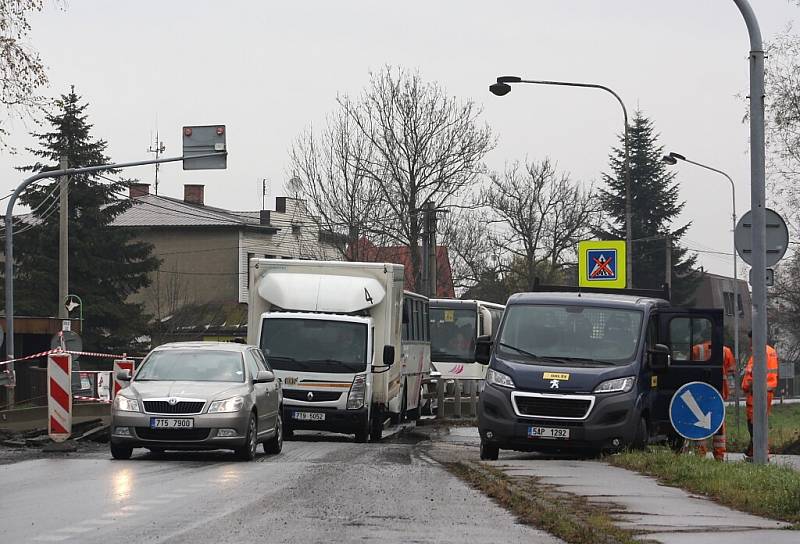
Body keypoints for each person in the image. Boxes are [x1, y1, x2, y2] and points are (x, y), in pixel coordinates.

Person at [741, 331, 779, 461]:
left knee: (754, 424)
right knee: (760, 422)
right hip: (768, 391)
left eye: (750, 340)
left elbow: (751, 375)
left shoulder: (758, 353)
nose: (750, 343)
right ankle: (753, 452)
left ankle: (761, 453)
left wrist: (745, 387)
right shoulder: (771, 351)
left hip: (756, 393)